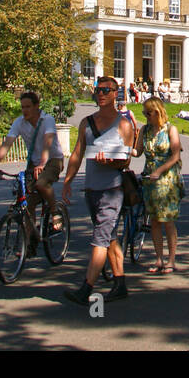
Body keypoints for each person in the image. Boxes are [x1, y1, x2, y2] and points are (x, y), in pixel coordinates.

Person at [61, 77, 136, 306]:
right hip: (91, 188)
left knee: (100, 239)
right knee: (110, 237)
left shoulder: (124, 125)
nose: (100, 93)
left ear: (116, 93)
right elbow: (76, 153)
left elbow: (125, 163)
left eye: (106, 90)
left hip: (112, 190)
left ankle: (87, 289)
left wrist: (109, 163)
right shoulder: (86, 123)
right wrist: (67, 181)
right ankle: (120, 283)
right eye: (98, 90)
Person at [0, 91, 63, 225]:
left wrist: (42, 163)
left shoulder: (47, 120)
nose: (24, 110)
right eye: (22, 107)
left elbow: (47, 143)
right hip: (34, 163)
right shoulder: (19, 122)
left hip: (53, 160)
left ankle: (54, 210)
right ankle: (30, 241)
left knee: (41, 183)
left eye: (28, 107)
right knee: (27, 203)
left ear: (37, 106)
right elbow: (7, 143)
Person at [139, 98, 183, 274]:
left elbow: (175, 156)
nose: (145, 116)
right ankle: (159, 259)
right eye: (144, 113)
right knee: (155, 220)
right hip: (149, 179)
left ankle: (171, 260)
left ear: (157, 112)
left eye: (147, 113)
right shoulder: (145, 130)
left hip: (168, 180)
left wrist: (160, 170)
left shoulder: (171, 130)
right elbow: (137, 151)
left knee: (168, 220)